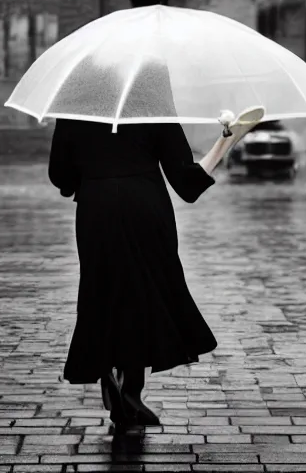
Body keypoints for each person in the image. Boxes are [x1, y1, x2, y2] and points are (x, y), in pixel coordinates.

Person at [48, 63, 243, 427]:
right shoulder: (152, 102)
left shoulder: (75, 105)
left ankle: (105, 366)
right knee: (144, 295)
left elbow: (60, 176)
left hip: (96, 210)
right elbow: (186, 181)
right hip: (145, 206)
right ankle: (132, 391)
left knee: (101, 292)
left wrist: (91, 170)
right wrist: (226, 141)